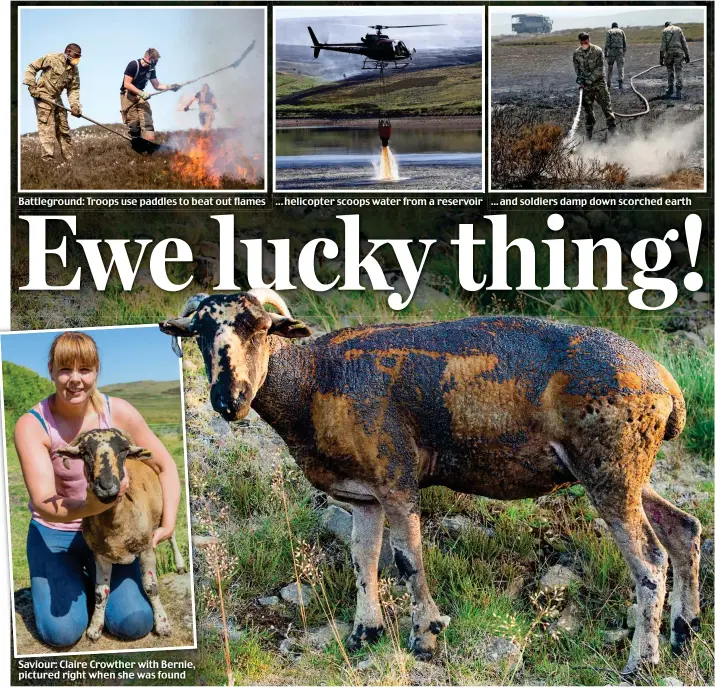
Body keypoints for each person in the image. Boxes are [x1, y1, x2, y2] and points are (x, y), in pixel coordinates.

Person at [14, 332, 182, 648]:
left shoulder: (118, 412)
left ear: (97, 372)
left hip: (110, 533)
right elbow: (45, 502)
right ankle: (68, 576)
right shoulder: (32, 425)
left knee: (134, 623)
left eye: (84, 370)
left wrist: (168, 523)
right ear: (51, 370)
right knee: (60, 633)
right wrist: (96, 504)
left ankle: (95, 579)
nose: (74, 379)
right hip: (55, 534)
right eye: (65, 369)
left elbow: (164, 466)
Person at [23, 44, 83, 163]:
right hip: (43, 94)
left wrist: (75, 106)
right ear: (68, 52)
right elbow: (31, 68)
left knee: (63, 129)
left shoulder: (74, 69)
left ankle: (71, 161)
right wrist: (31, 86)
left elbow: (73, 89)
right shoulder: (52, 58)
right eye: (75, 56)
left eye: (79, 57)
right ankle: (48, 161)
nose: (77, 59)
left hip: (56, 97)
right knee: (48, 128)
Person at [120, 48, 180, 142]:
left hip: (140, 95)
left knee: (147, 117)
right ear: (149, 58)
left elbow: (157, 85)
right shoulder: (133, 65)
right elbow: (126, 84)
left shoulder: (151, 69)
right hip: (128, 95)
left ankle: (150, 142)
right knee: (134, 122)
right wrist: (141, 93)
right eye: (156, 61)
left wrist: (170, 87)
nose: (156, 63)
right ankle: (136, 142)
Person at [573, 32, 617, 140]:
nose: (584, 44)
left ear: (589, 40)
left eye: (586, 42)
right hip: (586, 88)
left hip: (599, 84)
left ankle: (613, 133)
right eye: (582, 42)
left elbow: (600, 70)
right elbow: (577, 70)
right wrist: (581, 79)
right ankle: (589, 136)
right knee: (588, 111)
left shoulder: (597, 51)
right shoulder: (577, 54)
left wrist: (588, 80)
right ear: (580, 41)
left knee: (607, 108)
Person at [660, 22, 690, 99]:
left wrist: (661, 58)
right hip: (679, 53)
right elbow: (684, 43)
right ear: (671, 24)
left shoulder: (665, 30)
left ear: (666, 25)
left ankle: (670, 88)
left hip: (669, 53)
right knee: (679, 70)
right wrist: (687, 55)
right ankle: (679, 90)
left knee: (670, 70)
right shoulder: (678, 29)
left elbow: (663, 45)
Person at [605, 22, 627, 90]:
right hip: (620, 51)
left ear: (612, 26)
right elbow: (624, 42)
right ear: (617, 26)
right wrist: (623, 52)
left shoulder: (609, 31)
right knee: (620, 67)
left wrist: (605, 53)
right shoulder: (621, 31)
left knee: (610, 67)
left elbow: (607, 43)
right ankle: (620, 84)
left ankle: (608, 83)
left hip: (612, 51)